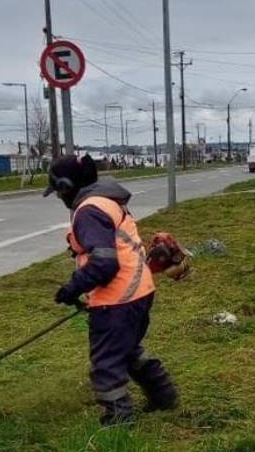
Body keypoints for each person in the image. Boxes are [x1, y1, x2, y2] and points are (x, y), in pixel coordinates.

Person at [44, 154, 178, 425]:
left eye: (58, 192)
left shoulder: (89, 211)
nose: (59, 199)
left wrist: (73, 287)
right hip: (140, 291)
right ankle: (164, 396)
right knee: (127, 350)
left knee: (107, 361)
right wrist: (81, 287)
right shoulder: (107, 201)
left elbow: (105, 264)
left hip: (118, 300)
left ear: (66, 187)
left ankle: (119, 419)